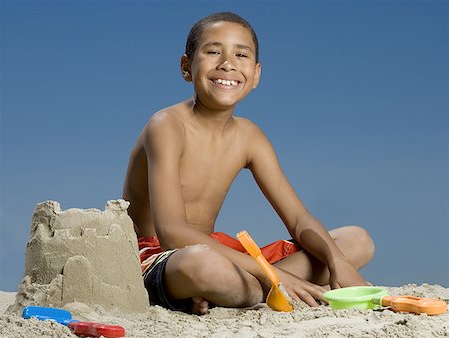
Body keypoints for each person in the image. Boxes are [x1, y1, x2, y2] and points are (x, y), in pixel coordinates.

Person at [123, 12, 374, 315]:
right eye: (213, 52)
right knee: (202, 266)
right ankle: (261, 286)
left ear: (255, 75)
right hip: (162, 256)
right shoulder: (166, 125)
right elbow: (173, 234)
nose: (227, 63)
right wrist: (276, 274)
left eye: (240, 55)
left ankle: (236, 291)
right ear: (186, 67)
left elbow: (298, 219)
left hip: (220, 253)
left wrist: (337, 263)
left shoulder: (249, 136)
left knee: (356, 242)